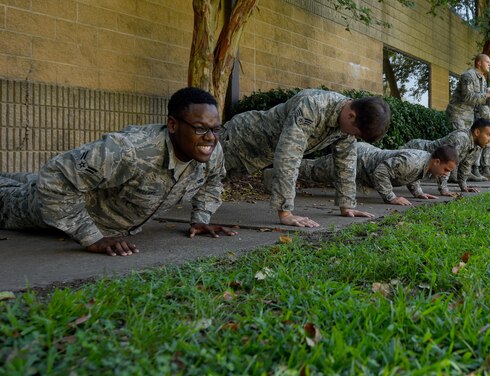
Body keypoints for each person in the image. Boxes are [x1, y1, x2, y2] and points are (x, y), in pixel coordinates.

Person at [0, 87, 237, 256]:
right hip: (46, 208)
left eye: (215, 129)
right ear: (173, 125)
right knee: (9, 197)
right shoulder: (129, 149)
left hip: (99, 202)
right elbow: (55, 177)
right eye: (199, 128)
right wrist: (91, 237)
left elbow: (213, 181)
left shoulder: (209, 151)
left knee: (24, 178)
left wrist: (201, 218)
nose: (210, 137)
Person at [221, 89, 391, 228]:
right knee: (198, 176)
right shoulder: (313, 106)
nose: (351, 137)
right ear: (351, 116)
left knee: (210, 184)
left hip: (257, 157)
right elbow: (289, 156)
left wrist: (347, 206)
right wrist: (285, 212)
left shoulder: (345, 125)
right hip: (238, 141)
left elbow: (346, 164)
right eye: (354, 133)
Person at [292, 143, 458, 206]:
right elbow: (381, 172)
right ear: (436, 161)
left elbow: (408, 176)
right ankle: (279, 169)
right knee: (314, 170)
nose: (445, 175)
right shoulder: (413, 161)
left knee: (314, 171)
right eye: (446, 170)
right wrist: (391, 197)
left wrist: (419, 193)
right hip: (358, 159)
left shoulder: (425, 164)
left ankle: (280, 172)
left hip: (364, 162)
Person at [401, 118, 490, 197]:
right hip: (416, 149)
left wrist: (464, 186)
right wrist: (444, 189)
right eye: (488, 134)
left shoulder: (477, 145)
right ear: (477, 132)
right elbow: (445, 162)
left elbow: (466, 165)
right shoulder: (461, 138)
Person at [445, 54, 490, 182]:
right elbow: (468, 97)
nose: (489, 64)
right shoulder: (468, 76)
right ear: (479, 63)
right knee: (458, 143)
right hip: (457, 113)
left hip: (469, 116)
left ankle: (465, 173)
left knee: (469, 143)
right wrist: (487, 94)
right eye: (487, 62)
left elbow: (481, 104)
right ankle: (451, 174)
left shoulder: (483, 80)